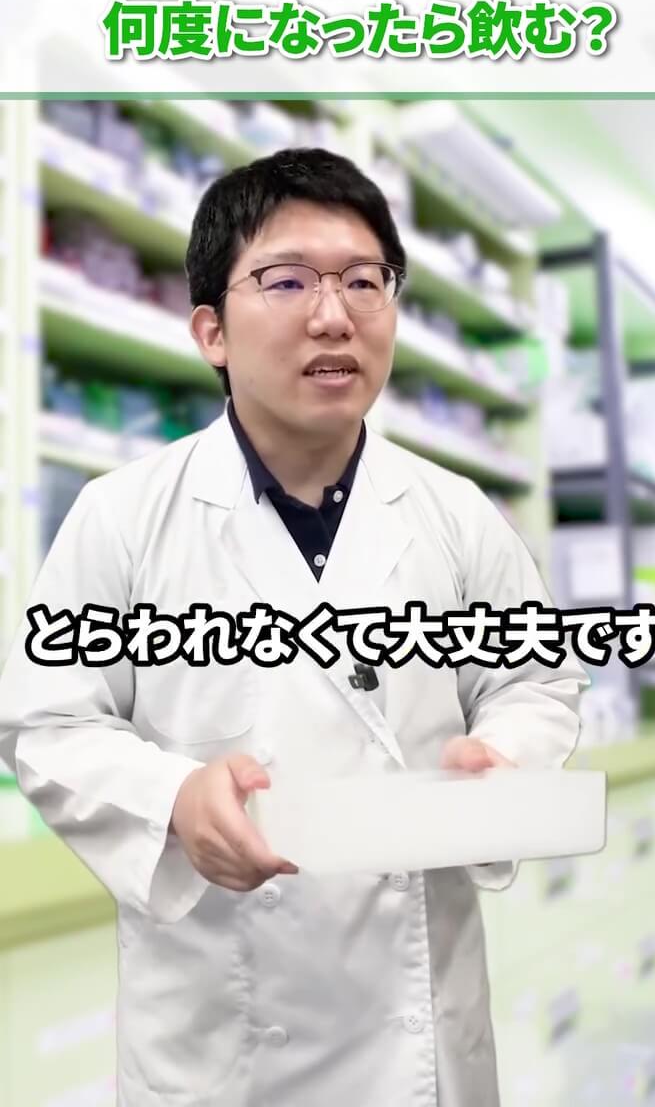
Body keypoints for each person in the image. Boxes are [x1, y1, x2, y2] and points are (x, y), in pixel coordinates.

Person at [0, 146, 590, 1107]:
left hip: (420, 1044)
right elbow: (46, 723)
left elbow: (537, 679)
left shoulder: (455, 513)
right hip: (225, 1045)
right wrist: (174, 800)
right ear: (211, 330)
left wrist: (505, 753)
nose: (334, 315)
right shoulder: (124, 516)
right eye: (287, 281)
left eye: (365, 281)